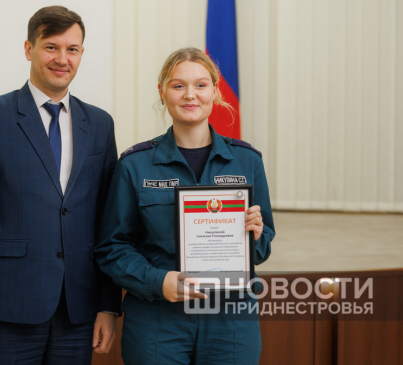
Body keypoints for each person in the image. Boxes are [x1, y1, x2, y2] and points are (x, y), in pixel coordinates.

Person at [0, 5, 121, 364]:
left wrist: (108, 306)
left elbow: (108, 225)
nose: (62, 59)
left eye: (72, 49)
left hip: (78, 311)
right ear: (29, 49)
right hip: (7, 309)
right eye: (51, 47)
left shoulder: (100, 124)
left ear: (82, 54)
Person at [95, 47, 276, 364]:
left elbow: (263, 246)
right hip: (157, 317)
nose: (190, 95)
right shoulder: (135, 165)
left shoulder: (248, 161)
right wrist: (156, 281)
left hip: (230, 318)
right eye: (178, 85)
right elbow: (112, 247)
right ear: (162, 91)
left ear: (215, 91)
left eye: (200, 85)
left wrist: (257, 237)